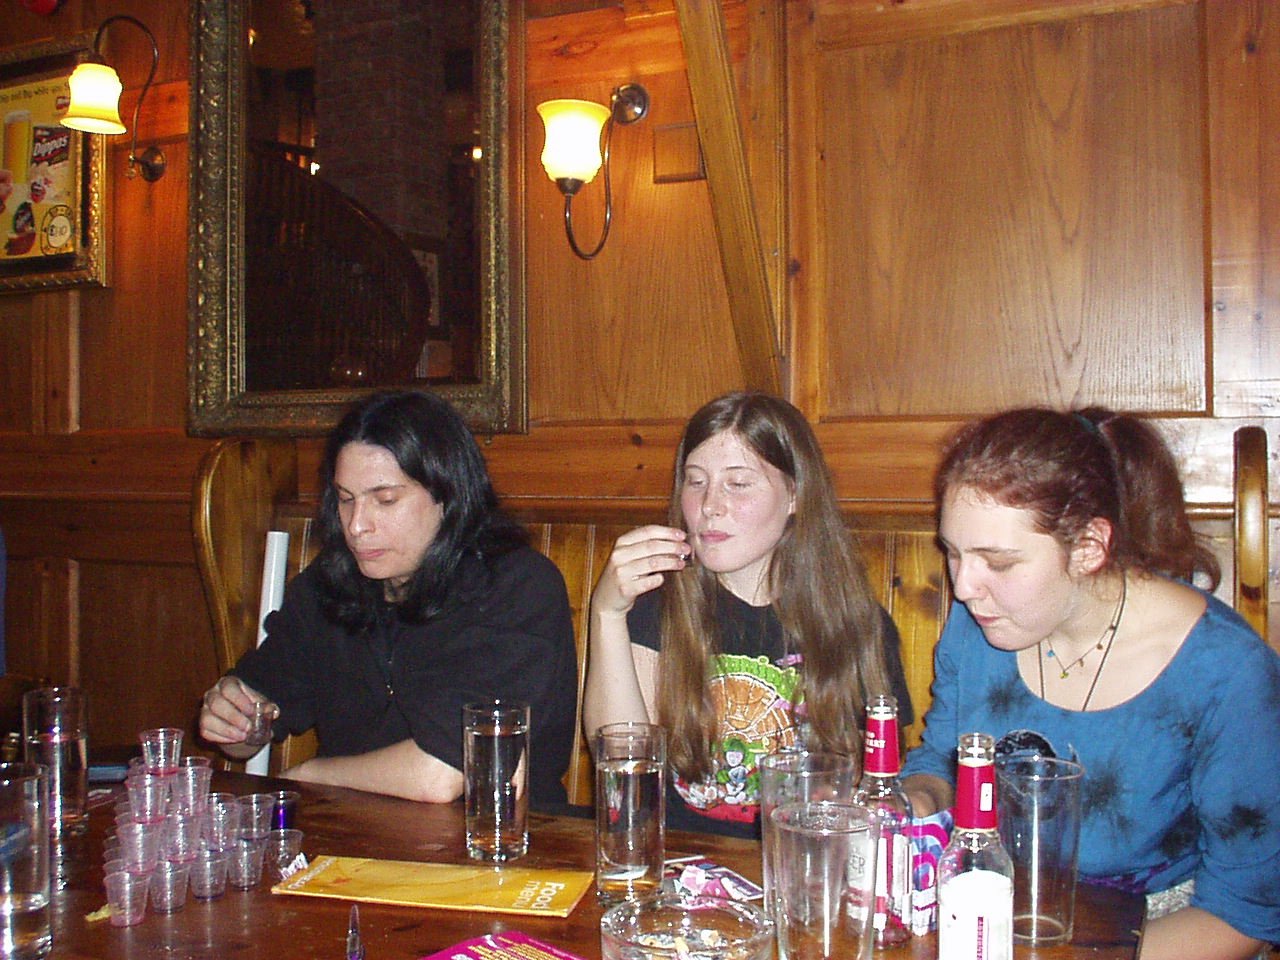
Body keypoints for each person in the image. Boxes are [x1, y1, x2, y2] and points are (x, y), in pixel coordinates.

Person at [900, 407, 1280, 959]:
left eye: (998, 563)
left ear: (1088, 548)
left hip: (1148, 938)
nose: (963, 588)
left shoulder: (1227, 672)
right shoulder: (979, 624)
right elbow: (942, 758)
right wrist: (912, 802)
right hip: (991, 923)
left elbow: (1245, 916)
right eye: (953, 554)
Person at [198, 391, 577, 806]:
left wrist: (309, 776)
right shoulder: (328, 583)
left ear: (448, 496)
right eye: (345, 499)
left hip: (500, 836)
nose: (356, 525)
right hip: (349, 832)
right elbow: (252, 725)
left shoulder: (518, 585)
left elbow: (443, 774)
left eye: (385, 500)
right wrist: (233, 721)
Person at [583, 391, 912, 837]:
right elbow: (624, 787)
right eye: (695, 481)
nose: (710, 505)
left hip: (801, 864)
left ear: (795, 494)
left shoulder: (856, 625)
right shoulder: (655, 605)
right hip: (677, 857)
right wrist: (606, 613)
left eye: (738, 484)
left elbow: (878, 793)